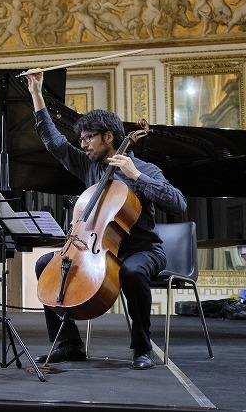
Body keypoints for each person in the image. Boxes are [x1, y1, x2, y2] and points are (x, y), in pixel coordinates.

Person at [26, 70, 187, 370]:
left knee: (133, 272)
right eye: (82, 139)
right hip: (97, 249)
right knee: (45, 265)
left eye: (88, 138)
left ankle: (142, 348)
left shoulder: (143, 169)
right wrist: (37, 94)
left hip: (143, 251)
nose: (83, 144)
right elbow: (54, 142)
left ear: (109, 137)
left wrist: (136, 176)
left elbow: (178, 202)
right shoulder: (91, 168)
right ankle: (69, 344)